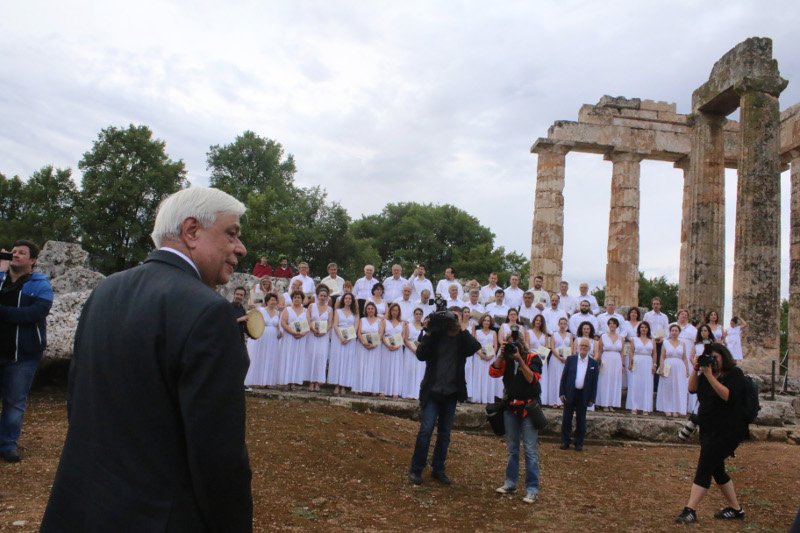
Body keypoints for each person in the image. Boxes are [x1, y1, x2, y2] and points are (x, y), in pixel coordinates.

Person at [41, 187, 252, 531]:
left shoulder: (106, 290)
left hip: (84, 507)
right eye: (231, 233)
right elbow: (218, 456)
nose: (239, 248)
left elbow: (79, 401)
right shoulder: (209, 312)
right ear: (191, 231)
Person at [675, 344, 748, 524]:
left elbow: (727, 396)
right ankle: (736, 509)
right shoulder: (705, 374)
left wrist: (709, 375)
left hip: (727, 431)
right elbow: (692, 389)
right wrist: (696, 369)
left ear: (724, 357)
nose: (713, 360)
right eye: (709, 357)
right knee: (717, 469)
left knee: (705, 466)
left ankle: (690, 509)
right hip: (708, 429)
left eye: (716, 357)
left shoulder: (734, 374)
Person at [408, 309, 481, 486]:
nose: (450, 322)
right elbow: (420, 355)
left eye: (453, 319)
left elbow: (474, 347)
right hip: (433, 391)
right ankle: (416, 469)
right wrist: (429, 331)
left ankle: (438, 469)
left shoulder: (461, 341)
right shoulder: (435, 336)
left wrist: (461, 328)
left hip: (451, 392)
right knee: (425, 431)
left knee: (444, 434)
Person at [0, 240, 53, 463]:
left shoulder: (40, 284)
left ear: (32, 261)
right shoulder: (1, 279)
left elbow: (35, 313)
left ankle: (7, 444)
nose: (16, 255)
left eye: (22, 253)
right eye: (13, 251)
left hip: (23, 355)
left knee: (14, 402)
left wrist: (3, 312)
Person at [490, 332, 543, 503]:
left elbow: (532, 380)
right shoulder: (506, 359)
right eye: (511, 344)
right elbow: (493, 372)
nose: (514, 347)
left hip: (528, 408)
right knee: (512, 449)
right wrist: (501, 354)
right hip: (510, 408)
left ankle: (532, 488)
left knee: (530, 450)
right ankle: (510, 483)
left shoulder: (533, 358)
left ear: (523, 344)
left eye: (516, 343)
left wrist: (520, 360)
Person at [559, 337, 599, 452]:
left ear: (589, 348)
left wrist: (592, 398)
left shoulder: (593, 363)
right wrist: (561, 392)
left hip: (584, 395)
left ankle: (579, 442)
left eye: (586, 346)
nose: (583, 348)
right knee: (567, 418)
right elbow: (564, 377)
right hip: (570, 393)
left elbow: (594, 383)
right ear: (578, 347)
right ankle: (565, 441)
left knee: (581, 420)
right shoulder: (571, 359)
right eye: (582, 345)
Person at [244, 293, 281, 387]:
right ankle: (256, 381)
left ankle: (268, 382)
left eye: (275, 300)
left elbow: (278, 326)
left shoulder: (278, 313)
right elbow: (249, 315)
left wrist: (280, 331)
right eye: (271, 300)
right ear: (267, 301)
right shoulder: (260, 310)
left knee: (270, 358)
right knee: (260, 357)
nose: (273, 302)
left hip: (273, 339)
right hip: (261, 336)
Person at [328, 292, 359, 396]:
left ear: (352, 301)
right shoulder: (337, 311)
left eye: (350, 299)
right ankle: (337, 384)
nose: (348, 300)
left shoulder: (355, 313)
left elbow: (355, 326)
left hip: (350, 339)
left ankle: (344, 385)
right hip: (338, 338)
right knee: (338, 359)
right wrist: (341, 337)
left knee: (347, 360)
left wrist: (349, 337)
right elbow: (335, 325)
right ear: (343, 300)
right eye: (346, 298)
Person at [278, 290, 310, 390]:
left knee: (298, 359)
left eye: (299, 297)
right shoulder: (287, 309)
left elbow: (308, 324)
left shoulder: (306, 311)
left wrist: (302, 334)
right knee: (288, 358)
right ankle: (286, 382)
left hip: (301, 338)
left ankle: (295, 382)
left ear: (302, 299)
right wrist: (292, 332)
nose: (297, 299)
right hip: (289, 337)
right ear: (292, 299)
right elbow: (283, 322)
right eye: (295, 297)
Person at [656, 324, 690, 417]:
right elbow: (662, 356)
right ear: (670, 332)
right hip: (668, 366)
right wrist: (661, 367)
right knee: (668, 387)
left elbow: (684, 357)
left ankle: (676, 409)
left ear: (679, 332)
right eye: (673, 330)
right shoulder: (665, 342)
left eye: (676, 330)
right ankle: (667, 408)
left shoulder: (682, 343)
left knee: (678, 387)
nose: (674, 332)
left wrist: (687, 369)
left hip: (680, 367)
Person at [626, 321, 657, 415]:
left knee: (646, 384)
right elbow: (631, 352)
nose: (643, 329)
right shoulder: (634, 339)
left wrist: (654, 365)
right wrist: (630, 363)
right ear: (639, 329)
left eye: (645, 327)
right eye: (642, 327)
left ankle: (645, 407)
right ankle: (634, 407)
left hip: (648, 362)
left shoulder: (652, 340)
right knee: (635, 383)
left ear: (648, 329)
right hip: (637, 361)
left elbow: (654, 353)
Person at [306, 285, 332, 392]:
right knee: (311, 355)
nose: (322, 297)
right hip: (312, 334)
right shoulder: (312, 306)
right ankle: (311, 381)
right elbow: (308, 319)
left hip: (323, 336)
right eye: (321, 295)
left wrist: (324, 331)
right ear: (318, 296)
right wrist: (312, 329)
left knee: (321, 357)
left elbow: (330, 323)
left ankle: (318, 382)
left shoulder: (330, 309)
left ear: (327, 298)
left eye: (325, 296)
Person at [596, 317, 624, 412]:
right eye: (610, 323)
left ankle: (612, 403)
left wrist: (622, 364)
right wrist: (599, 362)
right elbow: (600, 350)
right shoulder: (603, 336)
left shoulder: (621, 338)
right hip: (606, 359)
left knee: (614, 381)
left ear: (617, 325)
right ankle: (604, 403)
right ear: (608, 325)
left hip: (617, 360)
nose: (612, 325)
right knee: (604, 380)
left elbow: (622, 352)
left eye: (614, 323)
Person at [471, 314, 500, 404]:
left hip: (490, 357)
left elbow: (496, 345)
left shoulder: (493, 332)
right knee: (479, 376)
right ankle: (478, 397)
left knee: (488, 377)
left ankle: (488, 398)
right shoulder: (477, 332)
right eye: (485, 320)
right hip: (479, 356)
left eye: (488, 321)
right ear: (482, 321)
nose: (486, 322)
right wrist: (481, 355)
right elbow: (475, 344)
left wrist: (491, 355)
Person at [356, 301, 383, 395]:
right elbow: (359, 332)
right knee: (362, 365)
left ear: (375, 310)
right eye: (368, 309)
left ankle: (372, 389)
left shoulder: (380, 321)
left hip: (375, 346)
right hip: (363, 345)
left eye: (372, 308)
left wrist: (374, 344)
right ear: (366, 310)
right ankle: (361, 387)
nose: (370, 310)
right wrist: (363, 342)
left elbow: (380, 333)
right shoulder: (362, 320)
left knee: (373, 366)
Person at [381, 303, 406, 398]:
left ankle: (395, 391)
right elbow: (382, 334)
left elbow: (403, 336)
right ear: (390, 311)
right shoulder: (384, 321)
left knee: (396, 369)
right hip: (386, 348)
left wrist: (398, 345)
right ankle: (383, 390)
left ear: (399, 312)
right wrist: (387, 345)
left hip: (397, 348)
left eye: (396, 310)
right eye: (393, 310)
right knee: (385, 368)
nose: (395, 312)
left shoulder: (402, 323)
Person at [549, 317, 572, 408]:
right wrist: (559, 357)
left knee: (563, 379)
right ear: (558, 324)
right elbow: (552, 348)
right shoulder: (554, 334)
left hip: (566, 360)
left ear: (566, 325)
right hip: (555, 359)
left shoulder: (569, 335)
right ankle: (554, 401)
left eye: (564, 324)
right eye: (561, 323)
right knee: (555, 379)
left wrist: (567, 358)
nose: (562, 325)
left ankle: (562, 401)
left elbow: (571, 347)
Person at [404, 308, 426, 400]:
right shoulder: (409, 326)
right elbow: (405, 339)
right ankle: (408, 392)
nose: (418, 315)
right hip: (410, 351)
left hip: (420, 352)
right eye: (416, 314)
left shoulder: (424, 328)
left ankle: (417, 393)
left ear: (422, 315)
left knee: (419, 372)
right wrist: (412, 349)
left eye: (420, 314)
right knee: (410, 371)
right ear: (414, 315)